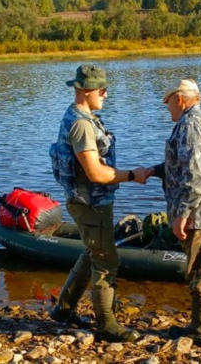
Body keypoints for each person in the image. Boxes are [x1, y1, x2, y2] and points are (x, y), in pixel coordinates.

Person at [49, 65, 148, 342]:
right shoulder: (81, 124)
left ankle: (64, 309)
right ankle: (106, 325)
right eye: (102, 90)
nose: (106, 94)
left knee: (93, 253)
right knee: (106, 260)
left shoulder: (82, 116)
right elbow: (95, 172)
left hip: (87, 202)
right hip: (90, 204)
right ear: (86, 90)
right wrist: (133, 176)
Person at [152, 79, 201, 346]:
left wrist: (183, 213)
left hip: (200, 214)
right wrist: (154, 170)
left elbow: (196, 176)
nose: (167, 107)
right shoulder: (199, 121)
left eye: (168, 101)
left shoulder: (189, 125)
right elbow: (186, 164)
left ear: (181, 99)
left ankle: (200, 333)